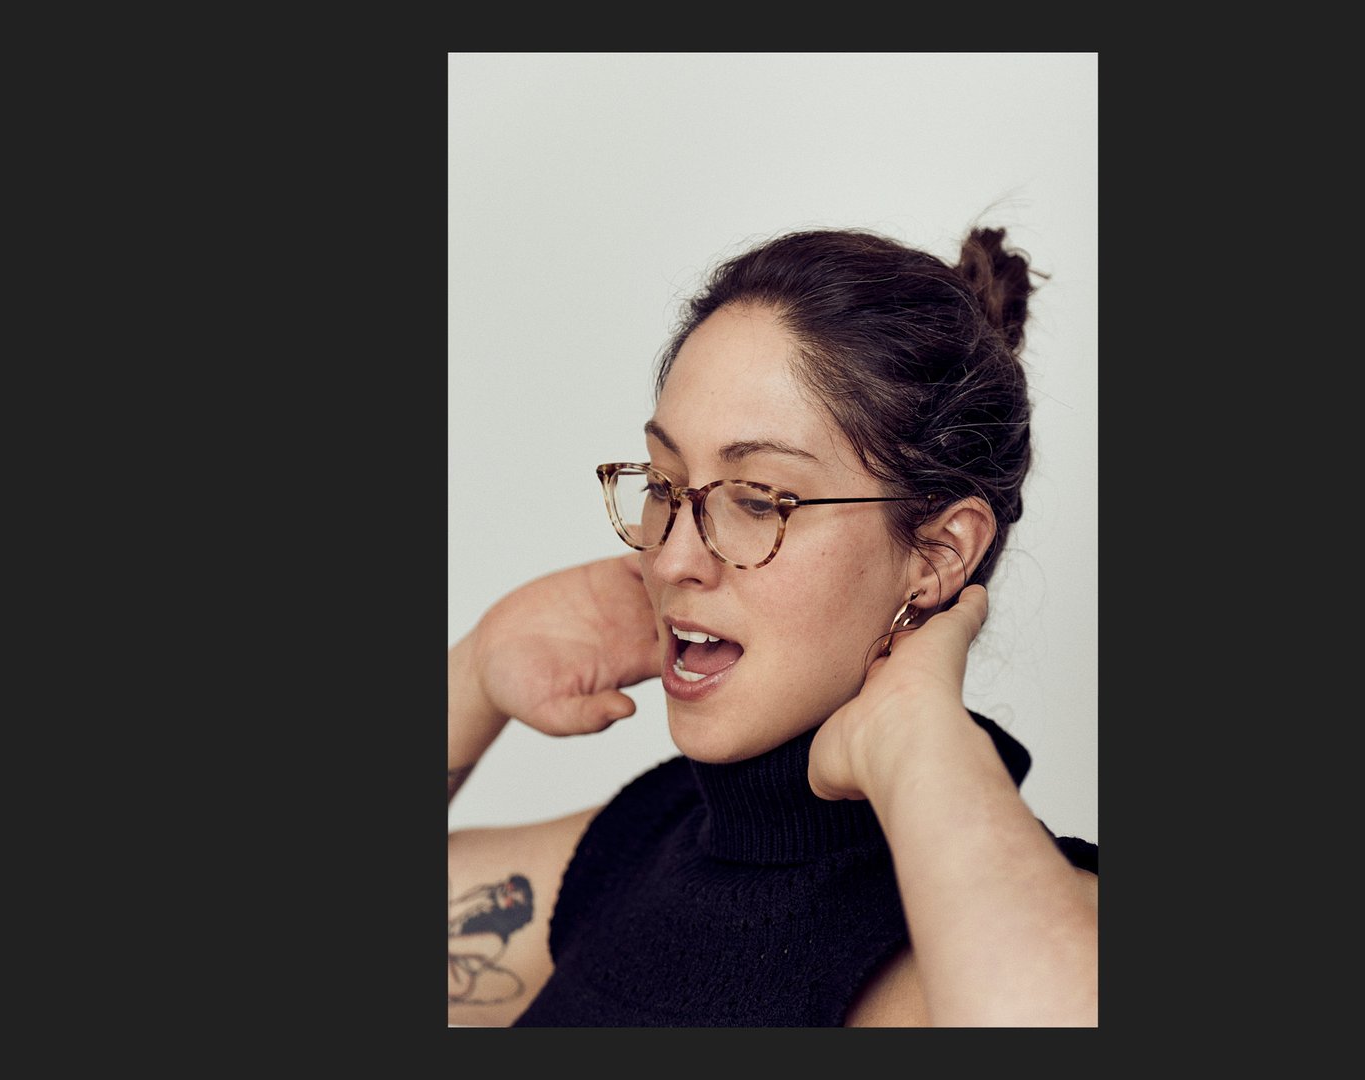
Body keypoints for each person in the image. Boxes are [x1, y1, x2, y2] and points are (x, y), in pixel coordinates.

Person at [447, 224, 1098, 1027]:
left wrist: (916, 734)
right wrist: (472, 675)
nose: (672, 556)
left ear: (936, 553)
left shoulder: (1030, 933)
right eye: (664, 481)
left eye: (757, 498)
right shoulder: (643, 846)